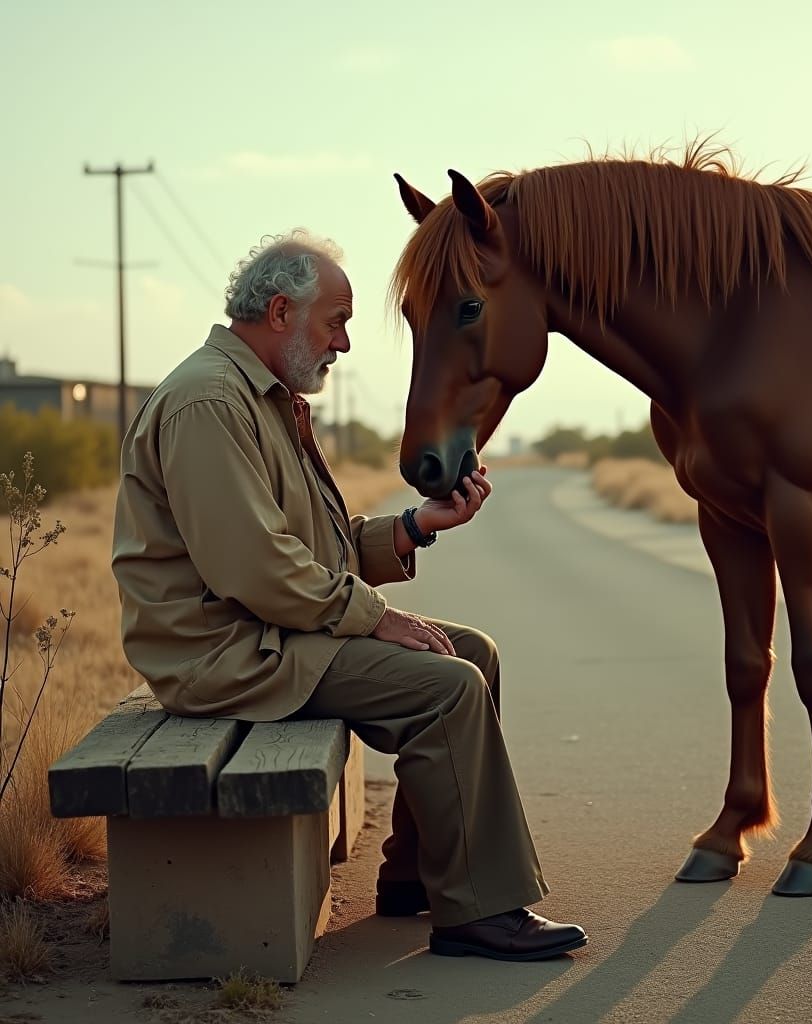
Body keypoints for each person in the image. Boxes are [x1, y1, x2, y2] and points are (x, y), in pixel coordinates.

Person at [111, 230, 587, 962]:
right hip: (225, 653)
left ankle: (412, 877)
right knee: (447, 689)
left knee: (472, 654)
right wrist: (377, 616)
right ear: (279, 312)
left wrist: (414, 528)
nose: (345, 343)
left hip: (269, 632)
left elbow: (306, 549)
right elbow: (256, 569)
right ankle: (480, 911)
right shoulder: (208, 402)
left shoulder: (261, 397)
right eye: (336, 321)